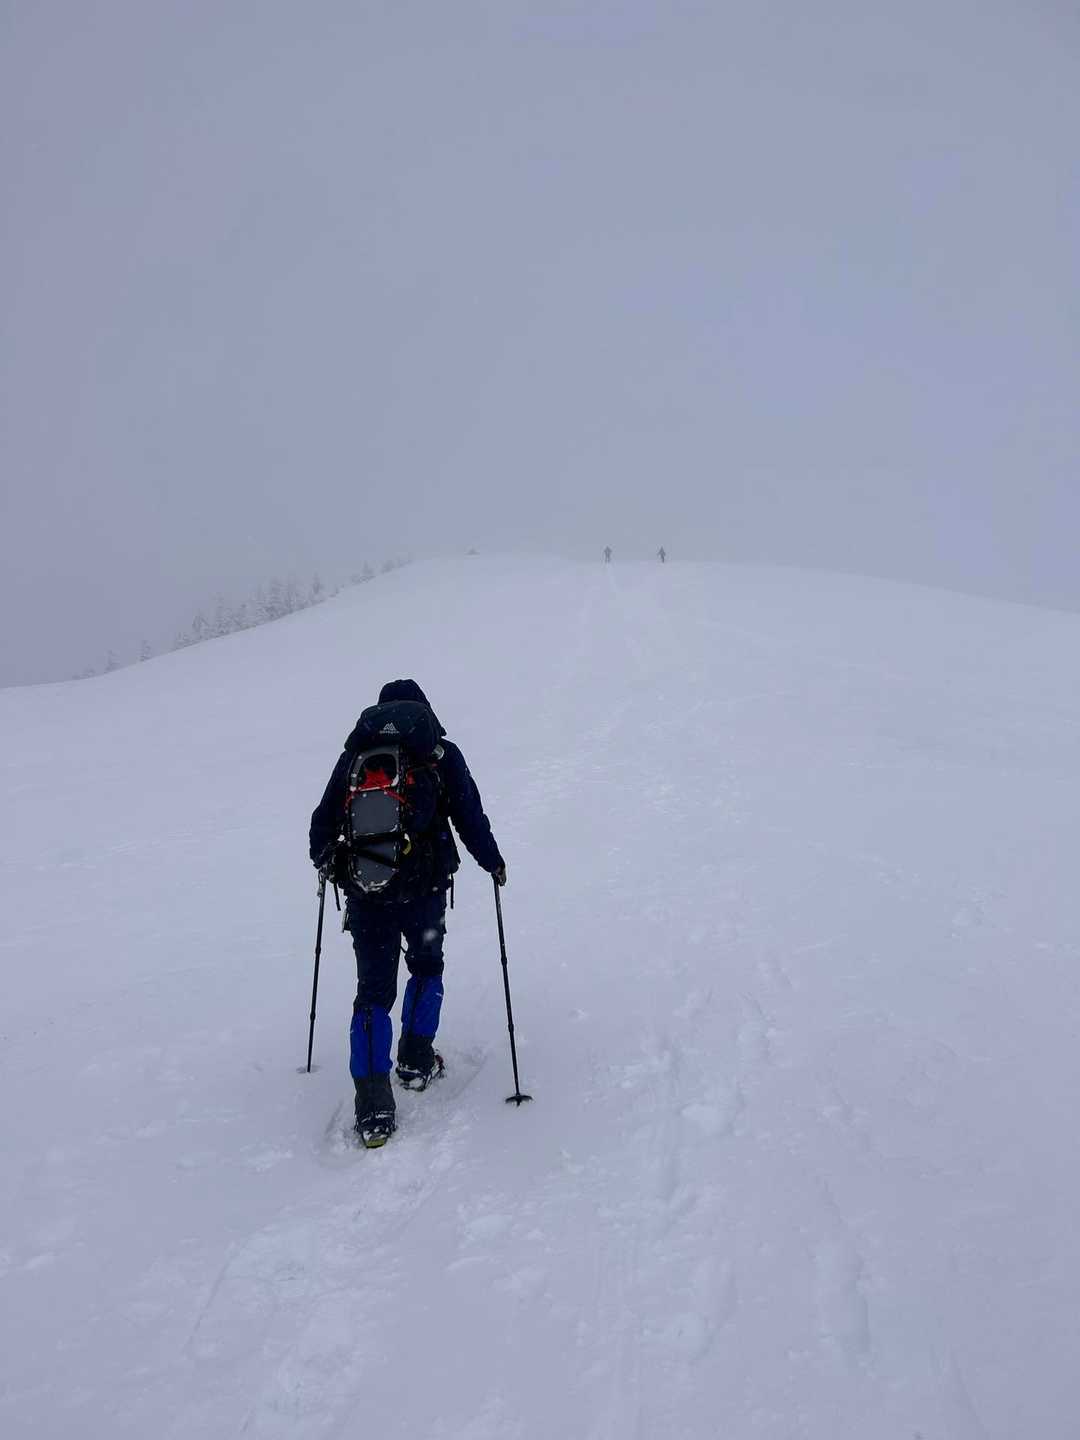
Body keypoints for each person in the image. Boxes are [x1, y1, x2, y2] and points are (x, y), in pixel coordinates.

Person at [309, 679, 506, 1145]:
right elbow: (469, 817)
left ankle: (373, 1107)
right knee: (426, 967)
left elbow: (322, 826)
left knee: (372, 993)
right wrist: (493, 861)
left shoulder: (356, 757)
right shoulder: (439, 754)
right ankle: (416, 1061)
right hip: (425, 889)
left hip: (367, 891)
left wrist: (330, 861)